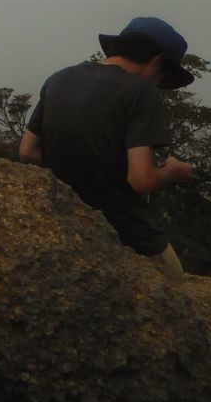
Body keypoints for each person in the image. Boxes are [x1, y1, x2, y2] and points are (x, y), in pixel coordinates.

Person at [19, 17, 196, 283]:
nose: (159, 85)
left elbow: (27, 152)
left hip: (66, 220)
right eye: (164, 77)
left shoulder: (59, 79)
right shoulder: (141, 92)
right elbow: (141, 180)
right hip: (127, 231)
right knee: (177, 285)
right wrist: (171, 173)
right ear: (158, 61)